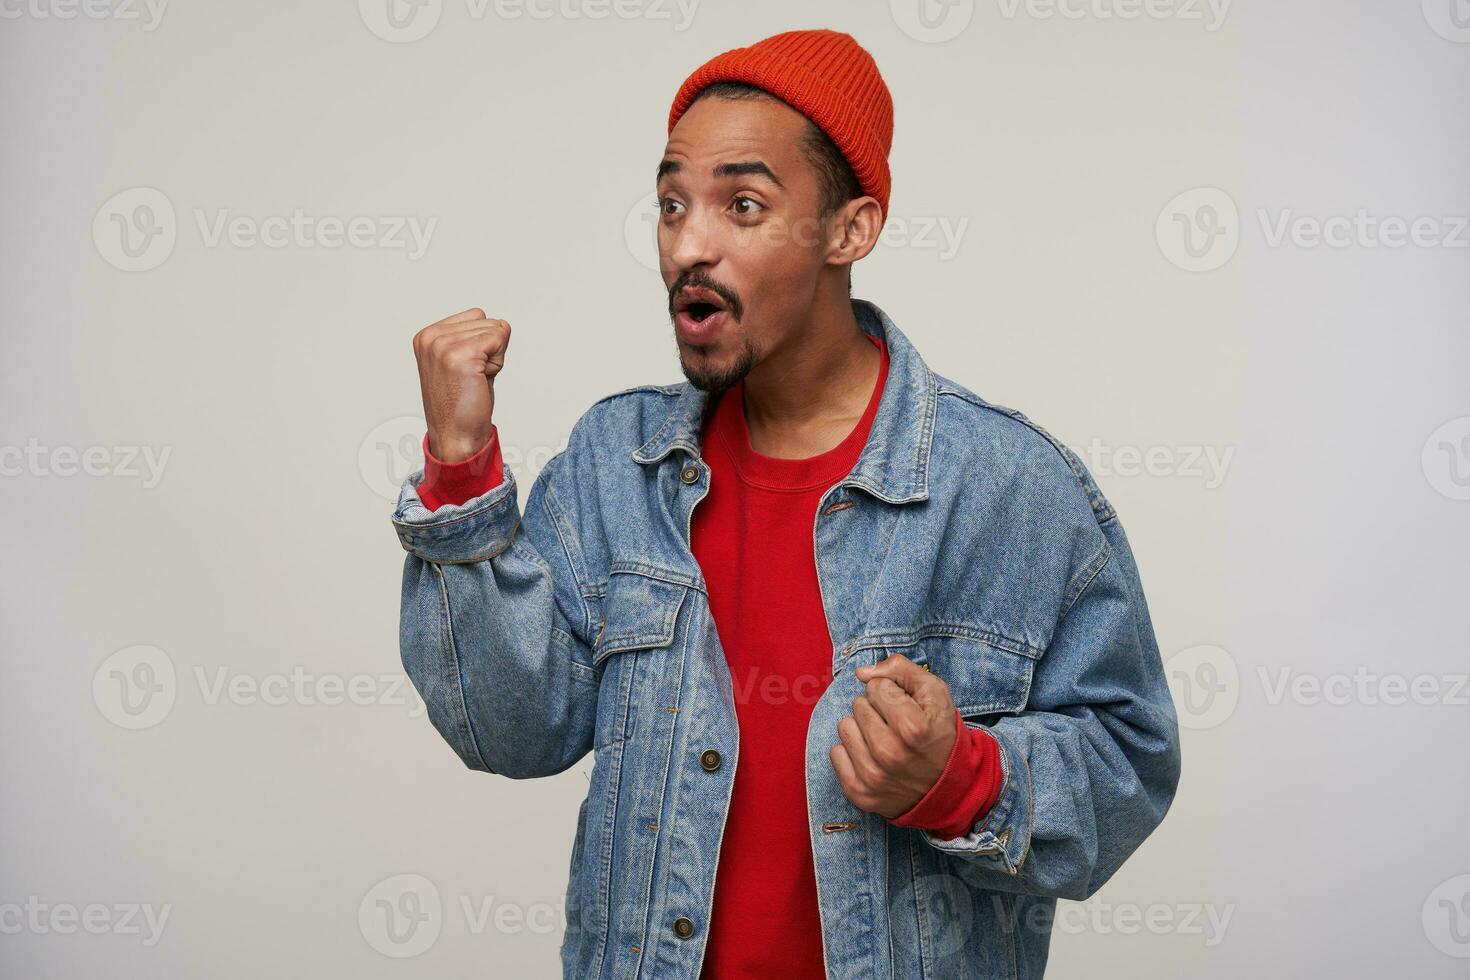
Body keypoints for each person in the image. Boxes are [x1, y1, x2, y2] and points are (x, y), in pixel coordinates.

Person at [391, 28, 1181, 979]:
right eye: (672, 202)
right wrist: (463, 467)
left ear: (851, 230)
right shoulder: (615, 466)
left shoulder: (1010, 487)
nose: (688, 244)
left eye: (744, 204)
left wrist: (960, 779)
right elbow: (512, 731)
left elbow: (1129, 766)